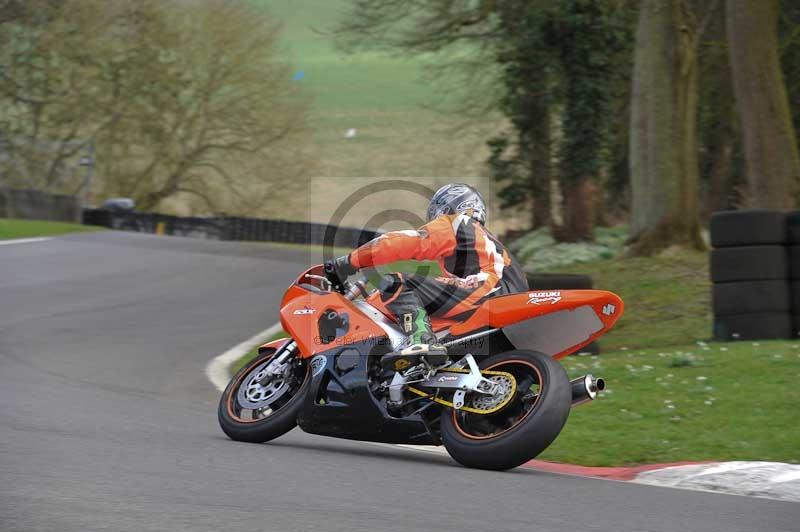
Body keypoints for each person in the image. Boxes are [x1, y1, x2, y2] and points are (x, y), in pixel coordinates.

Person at [329, 183, 528, 372]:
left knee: (395, 282)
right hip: (509, 302)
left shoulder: (456, 224)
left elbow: (401, 242)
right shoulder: (484, 245)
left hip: (490, 292)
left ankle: (421, 340)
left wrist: (347, 262)